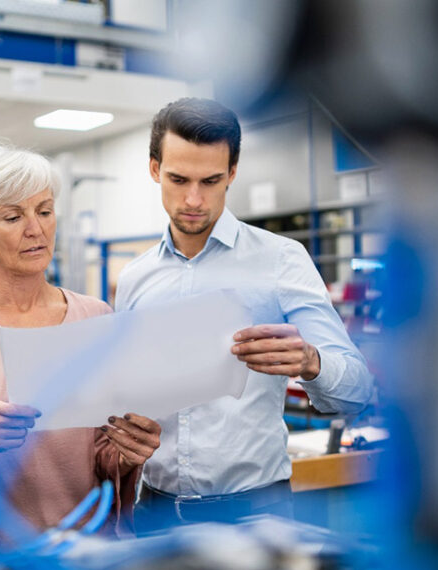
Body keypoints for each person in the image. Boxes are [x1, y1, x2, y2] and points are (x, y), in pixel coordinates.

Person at [115, 98, 375, 533]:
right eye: (179, 179)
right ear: (154, 169)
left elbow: (357, 391)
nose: (194, 199)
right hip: (154, 513)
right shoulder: (135, 278)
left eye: (211, 181)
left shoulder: (281, 260)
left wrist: (312, 362)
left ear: (232, 173)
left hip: (256, 513)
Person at [0, 145, 161, 553]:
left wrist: (129, 452)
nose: (36, 229)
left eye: (44, 211)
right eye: (13, 216)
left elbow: (100, 458)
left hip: (82, 554)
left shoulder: (95, 318)